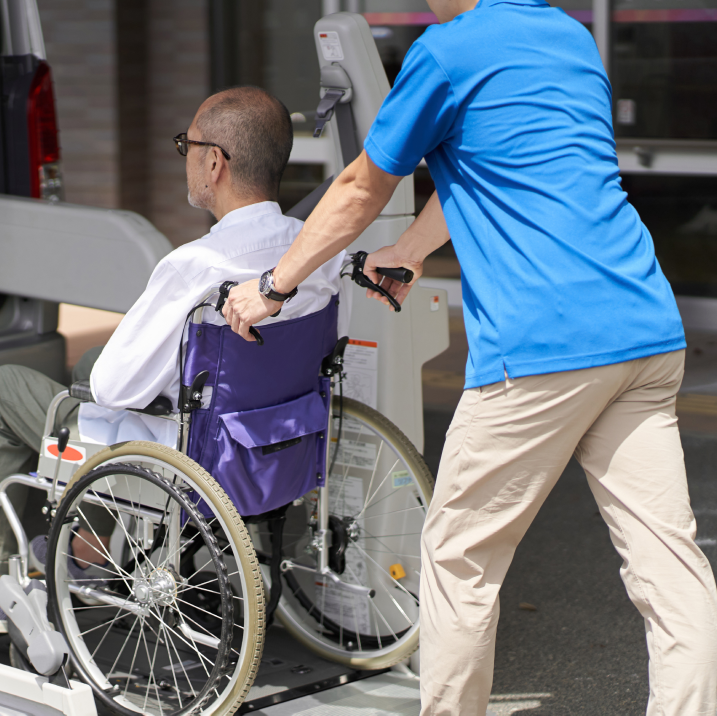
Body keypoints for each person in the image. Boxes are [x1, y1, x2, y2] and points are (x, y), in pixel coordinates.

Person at [221, 1, 717, 715]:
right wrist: (410, 254)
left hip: (542, 344)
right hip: (642, 326)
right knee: (670, 567)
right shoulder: (569, 37)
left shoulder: (447, 51)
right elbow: (511, 167)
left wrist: (274, 285)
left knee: (458, 558)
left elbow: (363, 184)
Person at [0, 85, 350, 633]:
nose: (186, 158)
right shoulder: (313, 250)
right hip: (272, 438)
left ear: (214, 162)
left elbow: (114, 390)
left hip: (186, 457)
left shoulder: (194, 265)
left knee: (6, 388)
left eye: (186, 146)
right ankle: (88, 552)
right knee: (93, 363)